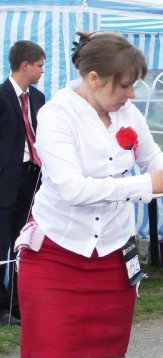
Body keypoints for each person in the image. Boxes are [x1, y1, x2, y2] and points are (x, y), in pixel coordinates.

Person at [18, 31, 163, 358]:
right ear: (94, 78)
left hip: (113, 249)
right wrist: (144, 186)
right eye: (124, 84)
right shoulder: (55, 115)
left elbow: (151, 157)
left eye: (134, 84)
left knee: (112, 356)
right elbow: (72, 188)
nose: (132, 94)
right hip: (56, 251)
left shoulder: (126, 111)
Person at [0, 40, 46, 327]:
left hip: (32, 178)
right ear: (25, 65)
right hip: (5, 181)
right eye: (39, 66)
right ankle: (1, 306)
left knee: (23, 243)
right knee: (1, 245)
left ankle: (19, 304)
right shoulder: (2, 97)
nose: (42, 71)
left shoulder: (39, 98)